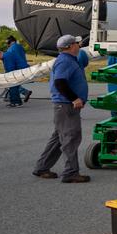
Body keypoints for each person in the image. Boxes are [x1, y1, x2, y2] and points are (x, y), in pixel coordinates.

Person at [32, 34, 91, 183]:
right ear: (71, 46)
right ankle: (71, 172)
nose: (79, 45)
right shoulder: (65, 61)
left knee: (59, 138)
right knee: (71, 138)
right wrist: (74, 98)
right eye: (77, 43)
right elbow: (60, 83)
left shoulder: (69, 60)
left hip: (63, 105)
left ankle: (42, 167)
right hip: (66, 105)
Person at [0, 35, 32, 107]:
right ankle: (10, 97)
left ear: (11, 41)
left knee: (12, 83)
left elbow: (10, 60)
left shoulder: (12, 48)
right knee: (14, 84)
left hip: (16, 68)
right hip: (22, 66)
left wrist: (8, 73)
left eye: (8, 42)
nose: (7, 44)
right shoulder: (19, 46)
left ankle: (18, 98)